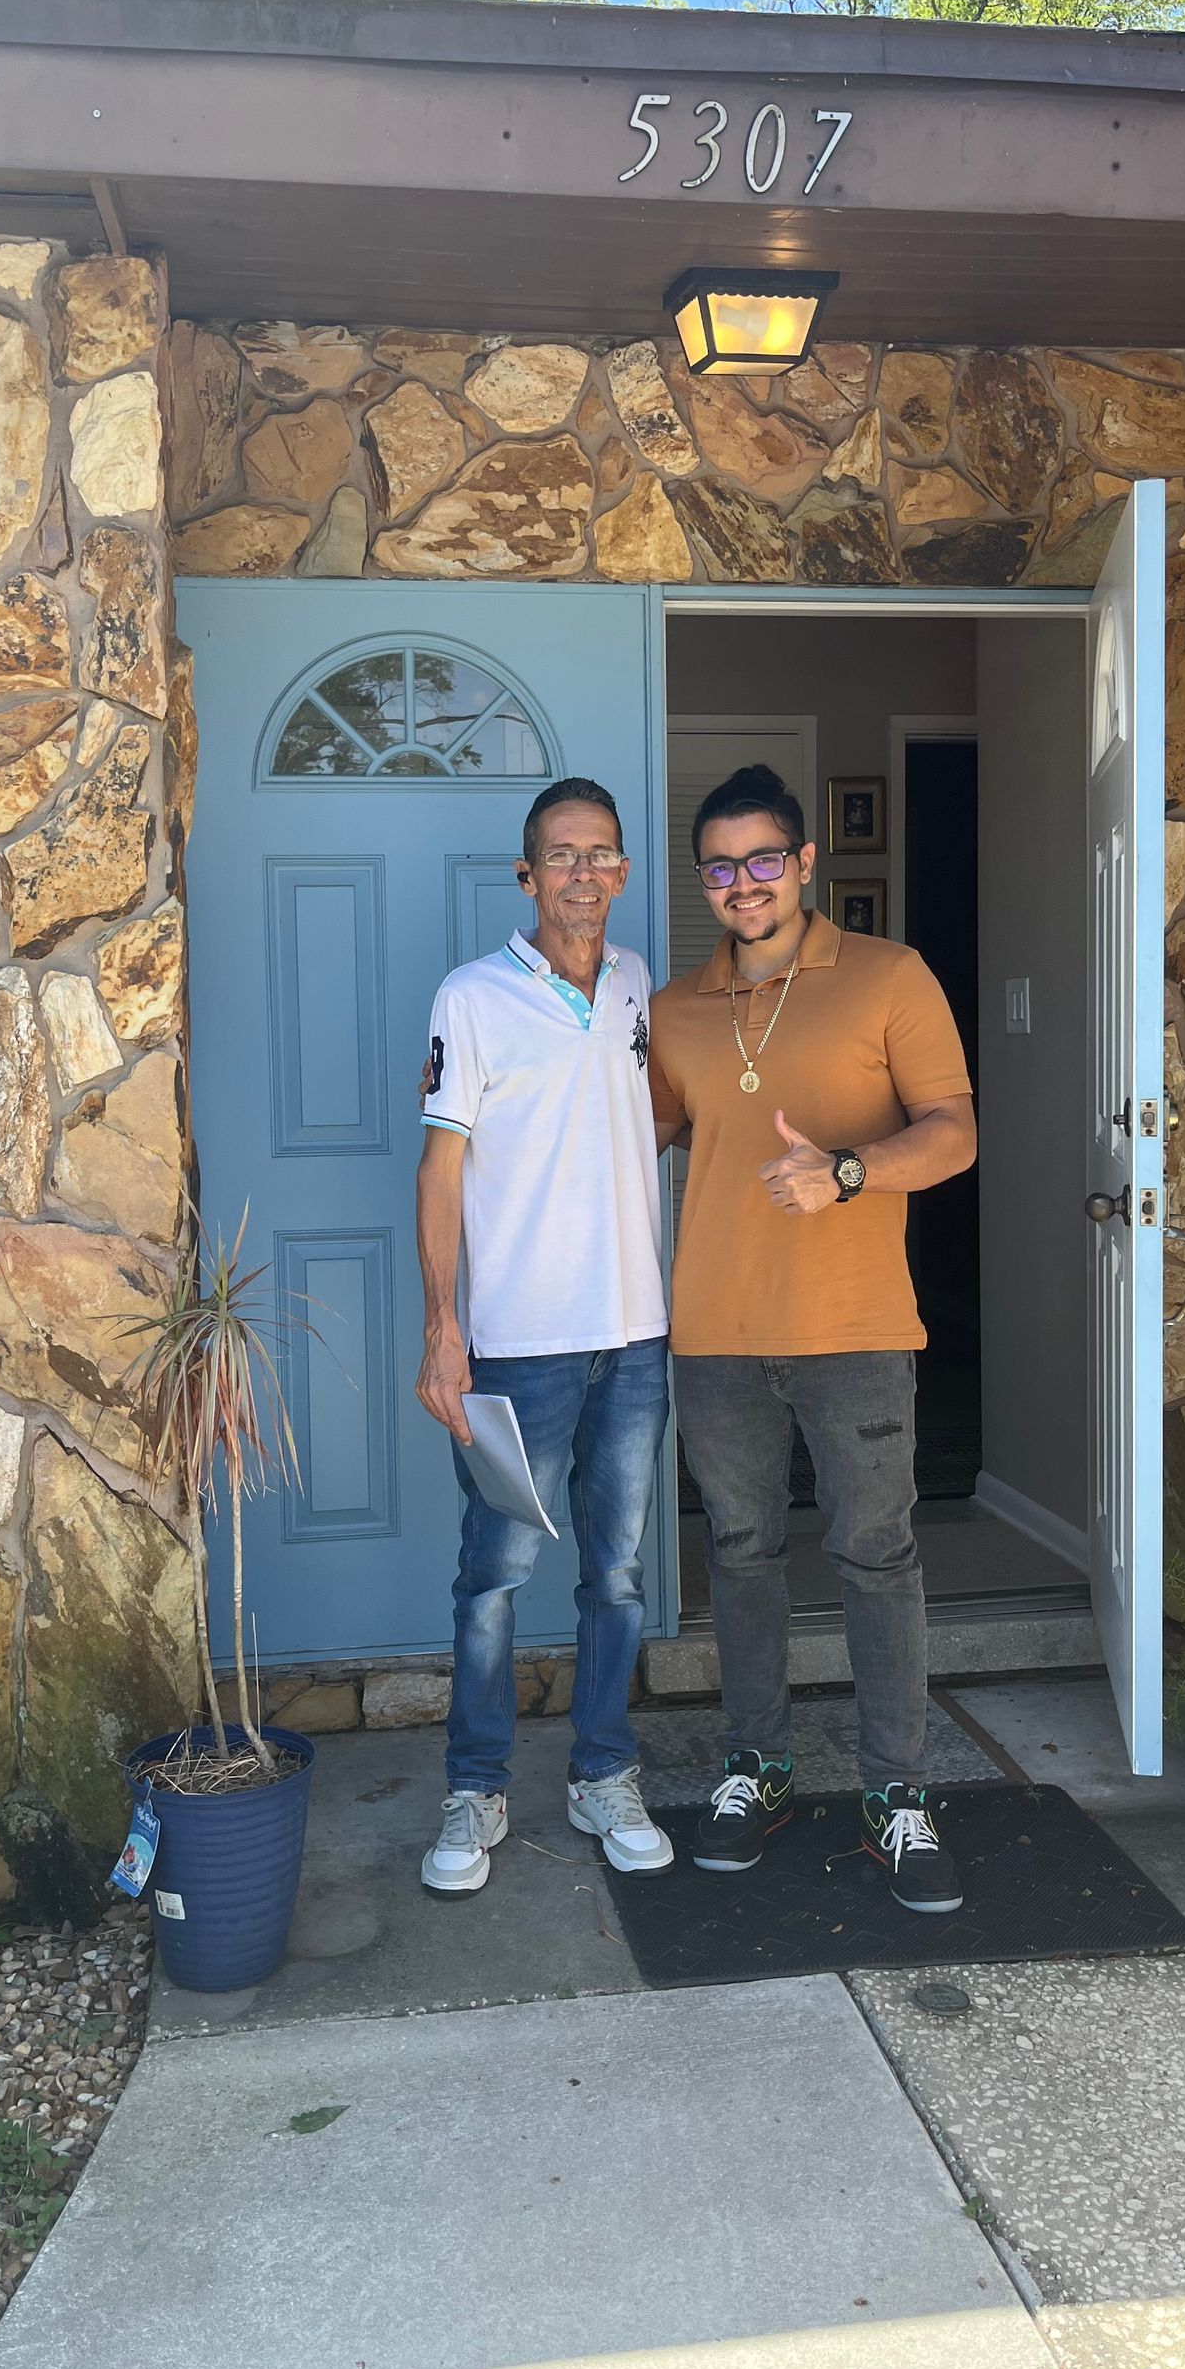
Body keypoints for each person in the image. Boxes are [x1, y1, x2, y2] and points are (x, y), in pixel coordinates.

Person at [648, 765, 978, 1911]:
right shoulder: (677, 1011)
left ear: (804, 864)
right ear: (707, 881)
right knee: (739, 1554)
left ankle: (898, 1792)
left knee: (874, 1554)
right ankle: (760, 1765)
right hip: (716, 1332)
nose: (745, 883)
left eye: (764, 859)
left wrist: (846, 1169)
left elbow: (954, 1133)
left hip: (853, 1330)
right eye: (722, 866)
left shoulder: (889, 976)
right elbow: (636, 1134)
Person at [414, 776, 676, 1898]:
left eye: (600, 854)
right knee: (494, 1576)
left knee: (614, 1576)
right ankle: (476, 1788)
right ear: (527, 878)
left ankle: (603, 1773)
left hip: (635, 1338)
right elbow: (440, 1170)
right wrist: (443, 1324)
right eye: (559, 856)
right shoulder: (470, 999)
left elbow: (642, 1121)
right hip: (518, 1344)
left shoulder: (635, 984)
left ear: (622, 873)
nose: (581, 872)